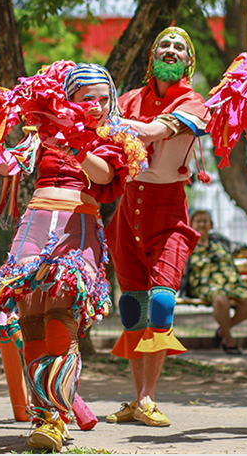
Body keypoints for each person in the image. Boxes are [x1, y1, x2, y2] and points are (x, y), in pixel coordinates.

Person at [0, 62, 145, 451]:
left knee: (57, 321)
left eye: (103, 98)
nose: (97, 105)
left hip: (77, 228)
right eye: (87, 98)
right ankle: (46, 415)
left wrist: (73, 146)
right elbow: (13, 163)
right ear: (70, 99)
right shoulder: (43, 131)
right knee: (30, 318)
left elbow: (102, 177)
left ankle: (57, 416)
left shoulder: (115, 135)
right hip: (34, 223)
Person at [105, 26, 211, 427]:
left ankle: (149, 397)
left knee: (162, 304)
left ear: (188, 61)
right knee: (132, 306)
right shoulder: (130, 98)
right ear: (153, 55)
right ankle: (136, 400)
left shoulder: (195, 103)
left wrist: (106, 122)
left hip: (168, 213)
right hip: (127, 208)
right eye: (164, 44)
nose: (171, 50)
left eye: (179, 47)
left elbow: (152, 132)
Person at [186, 209, 247, 355]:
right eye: (198, 221)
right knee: (221, 300)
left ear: (211, 224)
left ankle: (222, 331)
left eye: (205, 221)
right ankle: (229, 340)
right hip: (204, 284)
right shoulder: (187, 243)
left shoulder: (219, 240)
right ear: (191, 224)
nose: (202, 224)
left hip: (231, 282)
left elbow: (235, 245)